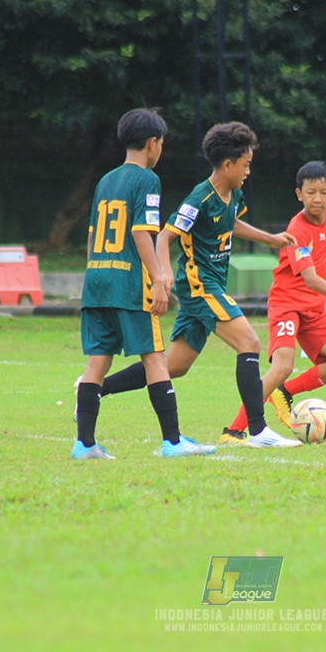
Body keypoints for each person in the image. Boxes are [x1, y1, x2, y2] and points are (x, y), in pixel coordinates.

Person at [98, 121, 299, 449]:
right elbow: (164, 236)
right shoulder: (199, 197)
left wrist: (270, 239)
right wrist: (162, 278)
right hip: (199, 285)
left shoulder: (232, 193)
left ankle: (94, 389)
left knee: (172, 367)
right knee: (249, 342)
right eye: (246, 165)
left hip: (210, 284)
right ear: (228, 164)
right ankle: (258, 431)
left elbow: (230, 221)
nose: (249, 171)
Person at [72, 108, 214, 459]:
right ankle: (173, 441)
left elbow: (92, 235)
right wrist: (158, 278)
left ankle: (84, 444)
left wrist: (95, 276)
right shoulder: (147, 180)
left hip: (97, 278)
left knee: (96, 363)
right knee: (154, 358)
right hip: (128, 283)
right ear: (153, 143)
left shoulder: (106, 180)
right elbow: (141, 231)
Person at [220, 159, 326, 443]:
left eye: (323, 192)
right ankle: (234, 430)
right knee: (282, 366)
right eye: (311, 192)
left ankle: (284, 393)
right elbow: (310, 279)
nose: (317, 199)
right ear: (299, 194)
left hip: (314, 310)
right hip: (287, 305)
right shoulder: (298, 229)